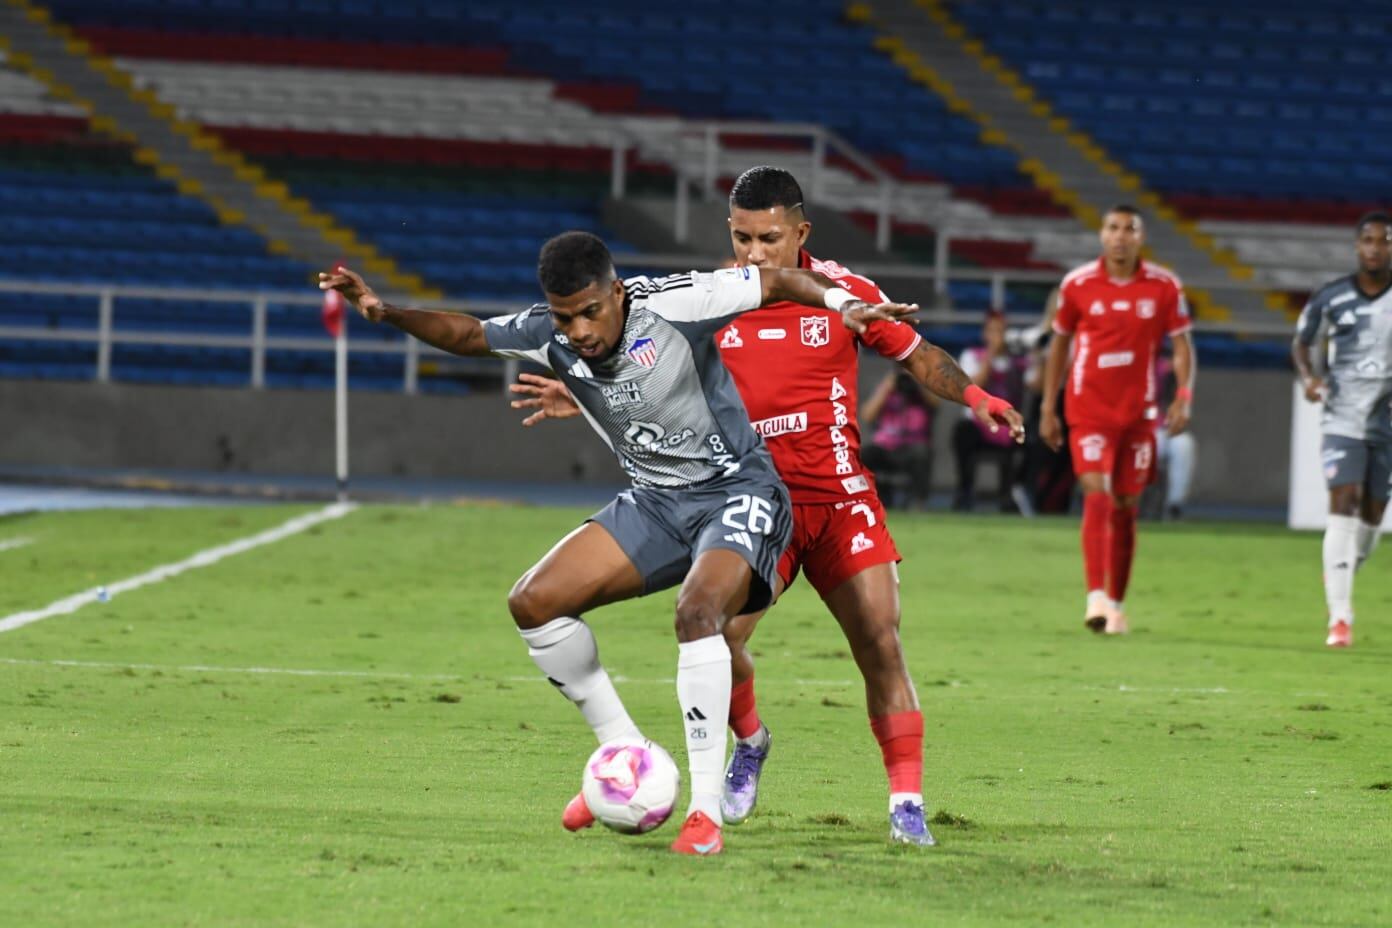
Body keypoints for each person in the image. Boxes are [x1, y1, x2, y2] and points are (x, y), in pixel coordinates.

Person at [319, 231, 918, 856]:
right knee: (533, 601)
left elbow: (780, 281)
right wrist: (386, 314)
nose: (577, 330)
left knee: (697, 614)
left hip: (737, 492)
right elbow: (469, 335)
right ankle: (624, 755)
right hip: (656, 505)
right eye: (564, 316)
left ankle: (705, 813)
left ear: (618, 293)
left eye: (590, 312)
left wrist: (841, 304)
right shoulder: (547, 334)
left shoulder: (678, 303)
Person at [510, 167, 1024, 847]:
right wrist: (578, 398)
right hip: (753, 501)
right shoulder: (709, 301)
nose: (755, 252)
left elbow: (918, 355)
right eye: (744, 237)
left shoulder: (842, 295)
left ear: (801, 233)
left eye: (770, 238)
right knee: (715, 632)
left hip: (839, 498)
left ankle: (906, 802)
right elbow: (646, 376)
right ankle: (750, 742)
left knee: (879, 638)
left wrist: (980, 398)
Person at [1040, 205, 1196, 635]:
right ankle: (1095, 597)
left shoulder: (1164, 286)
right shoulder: (1078, 285)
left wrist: (1182, 396)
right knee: (1096, 492)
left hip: (1140, 414)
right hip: (1088, 408)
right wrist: (1047, 407)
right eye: (1113, 228)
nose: (1120, 236)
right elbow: (1059, 346)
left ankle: (1117, 604)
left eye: (1130, 229)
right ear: (1102, 235)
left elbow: (1182, 346)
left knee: (1127, 507)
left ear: (1140, 237)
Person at [1292, 211, 1392, 648]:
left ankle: (1341, 568)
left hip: (1387, 423)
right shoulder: (1331, 297)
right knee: (1344, 502)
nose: (1375, 248)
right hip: (1342, 417)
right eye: (1368, 240)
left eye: (1384, 241)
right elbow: (1301, 342)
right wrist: (1310, 379)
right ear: (1357, 246)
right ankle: (1340, 618)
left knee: (1371, 518)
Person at [953, 309, 1031, 512]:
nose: (996, 335)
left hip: (1006, 423)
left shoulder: (1017, 362)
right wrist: (990, 356)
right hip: (979, 425)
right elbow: (971, 386)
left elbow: (1034, 384)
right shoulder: (972, 356)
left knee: (1029, 436)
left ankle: (1011, 495)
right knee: (962, 431)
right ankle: (965, 492)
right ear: (985, 333)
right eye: (992, 330)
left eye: (1000, 330)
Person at [860, 370, 936, 510]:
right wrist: (887, 388)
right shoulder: (887, 388)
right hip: (885, 445)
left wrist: (918, 381)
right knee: (865, 454)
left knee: (922, 452)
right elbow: (867, 415)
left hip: (913, 446)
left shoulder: (921, 392)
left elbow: (935, 403)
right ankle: (871, 498)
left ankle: (917, 503)